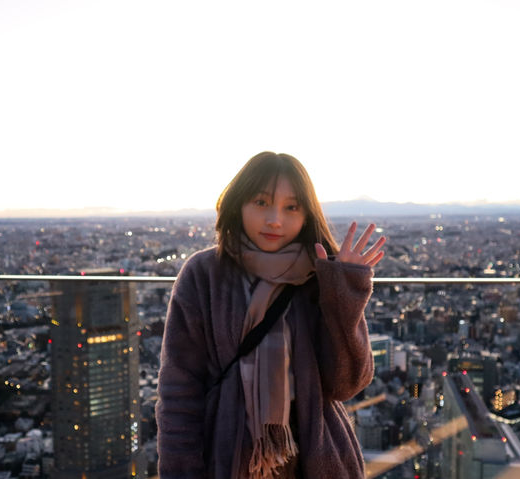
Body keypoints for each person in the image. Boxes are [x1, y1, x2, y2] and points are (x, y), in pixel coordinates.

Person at [155, 151, 386, 478]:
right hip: (225, 458)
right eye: (261, 202)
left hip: (312, 460)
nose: (275, 219)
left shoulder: (320, 277)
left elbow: (347, 384)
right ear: (238, 203)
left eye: (291, 207)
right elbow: (179, 390)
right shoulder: (205, 275)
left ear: (307, 215)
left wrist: (344, 295)